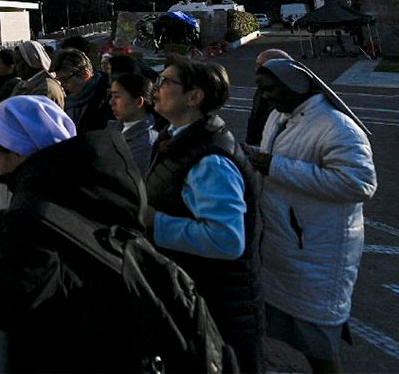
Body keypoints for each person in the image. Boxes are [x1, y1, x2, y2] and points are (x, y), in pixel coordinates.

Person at [0, 95, 152, 372]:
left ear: (17, 152)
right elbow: (71, 223)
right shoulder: (97, 176)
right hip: (122, 343)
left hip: (74, 355)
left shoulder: (35, 211)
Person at [248, 59, 376, 373]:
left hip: (319, 250)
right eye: (261, 90)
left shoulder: (337, 127)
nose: (265, 97)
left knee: (318, 342)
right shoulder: (280, 117)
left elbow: (360, 183)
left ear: (295, 85)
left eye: (270, 88)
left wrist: (273, 166)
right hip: (288, 243)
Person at [145, 56, 264, 372]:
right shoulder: (180, 138)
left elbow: (227, 239)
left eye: (166, 82)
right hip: (197, 299)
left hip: (219, 312)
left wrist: (154, 221)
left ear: (194, 97)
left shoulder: (211, 160)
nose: (156, 88)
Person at [107, 70, 158, 175]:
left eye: (117, 96)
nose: (111, 102)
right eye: (111, 96)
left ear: (139, 102)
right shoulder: (113, 128)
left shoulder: (145, 144)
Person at [51, 48, 112, 134]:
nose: (62, 85)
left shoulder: (109, 98)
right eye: (59, 80)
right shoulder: (68, 100)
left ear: (85, 75)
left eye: (65, 79)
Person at [245, 48, 294, 146]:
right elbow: (254, 116)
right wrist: (250, 142)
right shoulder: (260, 91)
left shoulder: (291, 96)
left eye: (260, 66)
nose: (256, 70)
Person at [10, 40, 66, 108]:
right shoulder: (22, 84)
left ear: (31, 61)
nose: (15, 67)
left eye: (18, 62)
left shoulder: (45, 88)